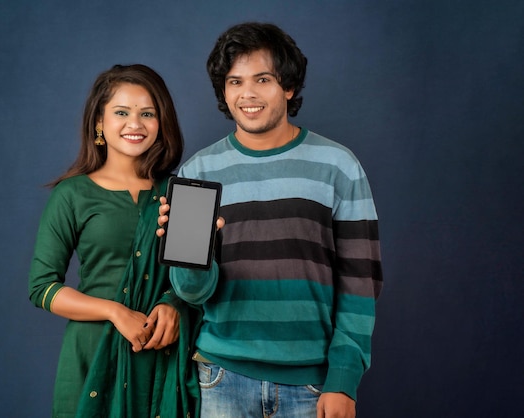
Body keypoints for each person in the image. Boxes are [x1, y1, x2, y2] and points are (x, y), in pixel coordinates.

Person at [157, 22, 383, 418]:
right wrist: (190, 255)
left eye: (262, 79)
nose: (247, 94)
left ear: (289, 87)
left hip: (312, 385)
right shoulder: (199, 173)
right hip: (221, 377)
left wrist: (343, 378)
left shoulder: (339, 166)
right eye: (234, 81)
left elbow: (360, 280)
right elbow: (193, 293)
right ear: (224, 92)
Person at [28, 64, 201, 418]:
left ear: (161, 123)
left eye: (147, 114)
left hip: (162, 355)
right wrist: (115, 312)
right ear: (99, 123)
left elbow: (196, 283)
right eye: (121, 112)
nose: (135, 124)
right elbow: (42, 287)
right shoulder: (72, 194)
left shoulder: (184, 193)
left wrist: (174, 305)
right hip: (92, 356)